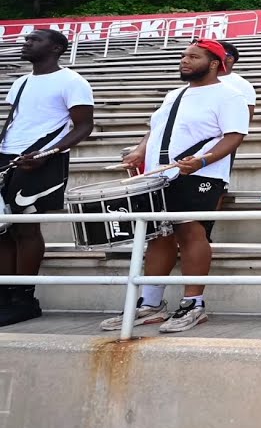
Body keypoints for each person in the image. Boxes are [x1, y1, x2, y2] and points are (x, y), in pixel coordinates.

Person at [101, 40, 248, 334]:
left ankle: (194, 304)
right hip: (159, 175)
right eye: (183, 56)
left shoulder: (229, 95)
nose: (184, 60)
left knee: (190, 232)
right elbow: (155, 129)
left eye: (193, 56)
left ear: (214, 63)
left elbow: (234, 136)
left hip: (199, 174)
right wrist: (140, 151)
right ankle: (151, 303)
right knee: (158, 235)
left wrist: (203, 160)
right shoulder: (174, 94)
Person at [0, 29, 94, 326]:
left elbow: (84, 126)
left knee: (26, 227)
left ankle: (25, 299)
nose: (26, 43)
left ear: (55, 48)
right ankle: (5, 295)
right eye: (26, 39)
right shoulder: (21, 82)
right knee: (2, 229)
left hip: (41, 158)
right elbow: (14, 121)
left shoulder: (72, 81)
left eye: (34, 40)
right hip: (8, 155)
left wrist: (47, 153)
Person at [217, 41, 256, 118]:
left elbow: (245, 118)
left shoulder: (243, 85)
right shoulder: (198, 80)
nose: (209, 57)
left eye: (215, 53)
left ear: (230, 58)